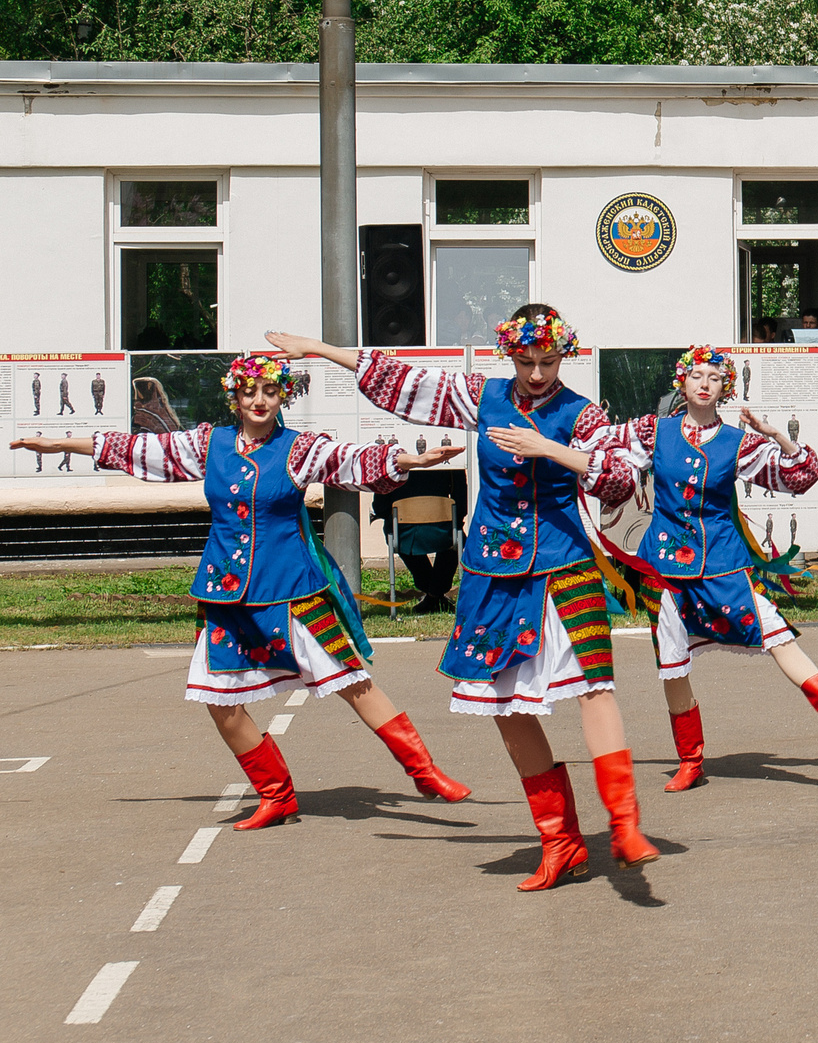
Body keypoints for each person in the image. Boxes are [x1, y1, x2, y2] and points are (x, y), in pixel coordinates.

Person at [271, 308, 659, 891]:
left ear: (563, 356)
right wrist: (321, 349)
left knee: (594, 687)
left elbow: (619, 480)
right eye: (525, 361)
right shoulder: (483, 395)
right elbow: (403, 381)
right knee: (504, 704)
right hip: (492, 570)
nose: (536, 373)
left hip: (564, 565)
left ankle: (625, 825)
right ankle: (560, 841)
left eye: (547, 361)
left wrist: (550, 448)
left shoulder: (582, 414)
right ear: (510, 355)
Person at [11, 355, 473, 826]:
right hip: (225, 592)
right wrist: (57, 443)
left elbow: (350, 459)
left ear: (282, 396)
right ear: (234, 396)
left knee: (352, 680)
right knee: (219, 698)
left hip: (291, 589)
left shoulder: (299, 449)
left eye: (269, 392)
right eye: (249, 392)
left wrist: (409, 460)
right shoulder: (207, 444)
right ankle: (277, 795)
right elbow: (136, 447)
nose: (259, 401)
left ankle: (425, 772)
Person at [579, 347, 818, 794]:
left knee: (777, 633)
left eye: (714, 378)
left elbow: (800, 477)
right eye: (696, 376)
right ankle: (690, 761)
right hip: (665, 570)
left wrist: (778, 437)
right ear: (682, 382)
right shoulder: (653, 431)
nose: (704, 384)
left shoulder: (738, 443)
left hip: (723, 565)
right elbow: (598, 450)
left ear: (725, 388)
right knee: (673, 664)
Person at [373, 460, 465, 612]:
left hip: (404, 534)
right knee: (457, 537)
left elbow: (380, 508)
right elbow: (461, 502)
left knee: (394, 534)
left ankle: (431, 593)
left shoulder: (390, 460)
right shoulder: (452, 460)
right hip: (443, 532)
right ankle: (435, 594)